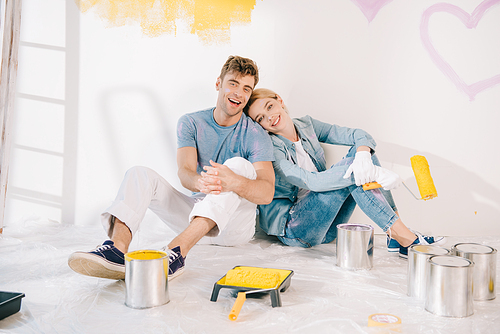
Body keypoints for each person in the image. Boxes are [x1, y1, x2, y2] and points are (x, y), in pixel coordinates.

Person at [68, 56, 275, 280]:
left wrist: (233, 180)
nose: (238, 93)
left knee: (239, 166)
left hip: (234, 229)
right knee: (139, 173)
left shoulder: (255, 134)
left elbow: (266, 192)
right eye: (233, 83)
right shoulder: (191, 122)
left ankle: (176, 252)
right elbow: (185, 172)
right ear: (219, 84)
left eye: (246, 88)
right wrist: (200, 182)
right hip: (196, 219)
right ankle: (117, 250)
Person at [244, 88, 443, 258]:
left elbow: (359, 135)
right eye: (260, 118)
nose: (269, 117)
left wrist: (365, 158)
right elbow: (312, 182)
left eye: (269, 106)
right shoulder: (271, 148)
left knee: (361, 155)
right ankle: (407, 239)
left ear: (279, 100)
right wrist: (365, 171)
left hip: (328, 227)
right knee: (353, 168)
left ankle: (396, 236)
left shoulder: (306, 125)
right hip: (296, 230)